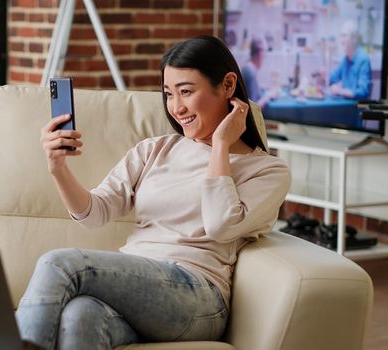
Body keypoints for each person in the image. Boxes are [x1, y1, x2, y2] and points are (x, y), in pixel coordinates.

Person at [16, 35, 291, 350]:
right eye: (168, 94)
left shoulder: (267, 171)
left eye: (186, 92)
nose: (176, 107)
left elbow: (220, 225)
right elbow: (93, 214)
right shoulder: (155, 150)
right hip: (141, 286)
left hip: (199, 298)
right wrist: (57, 168)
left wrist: (221, 146)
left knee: (58, 264)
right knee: (81, 315)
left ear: (228, 86)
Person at [328, 20, 371, 99]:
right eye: (341, 36)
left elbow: (363, 91)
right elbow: (332, 78)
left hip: (356, 108)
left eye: (344, 36)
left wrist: (340, 91)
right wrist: (324, 75)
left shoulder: (363, 59)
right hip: (345, 105)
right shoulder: (346, 58)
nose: (341, 41)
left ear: (354, 38)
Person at [241, 37, 279, 108]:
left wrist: (260, 87)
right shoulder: (250, 71)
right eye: (265, 53)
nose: (265, 57)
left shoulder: (247, 66)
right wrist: (268, 96)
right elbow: (254, 108)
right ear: (260, 52)